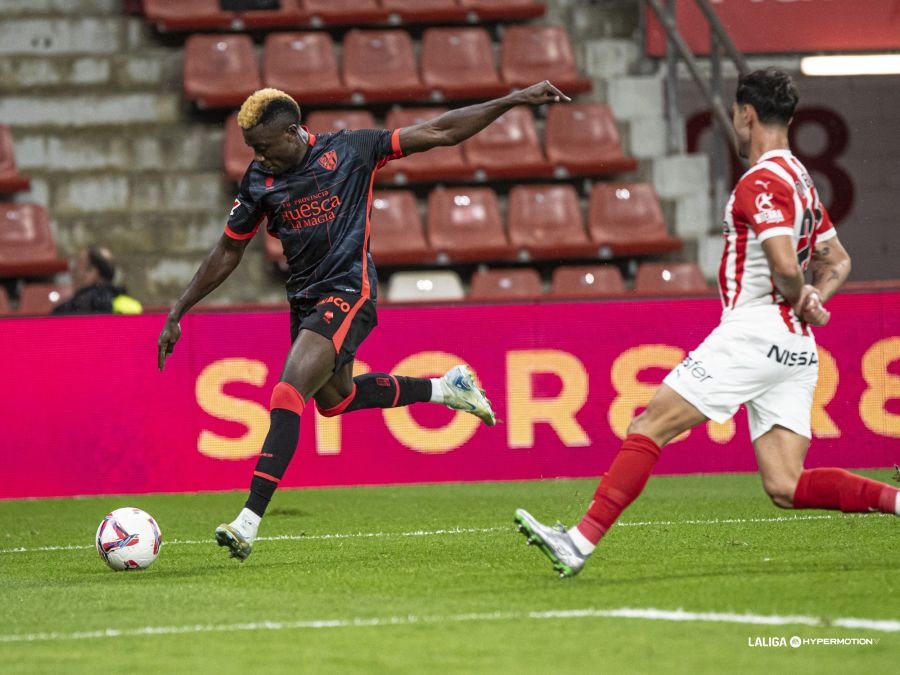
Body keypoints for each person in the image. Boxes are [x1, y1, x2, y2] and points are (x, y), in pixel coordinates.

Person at [158, 81, 571, 561]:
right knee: (335, 400)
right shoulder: (258, 182)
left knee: (288, 393)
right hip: (305, 300)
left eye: (264, 147)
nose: (259, 157)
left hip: (350, 289)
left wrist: (512, 99)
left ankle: (248, 522)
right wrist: (179, 308)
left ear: (293, 132)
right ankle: (446, 389)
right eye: (253, 149)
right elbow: (230, 248)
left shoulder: (352, 151)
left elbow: (439, 131)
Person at [515, 68, 899, 578]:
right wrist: (813, 298)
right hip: (796, 347)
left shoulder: (761, 181)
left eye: (737, 116)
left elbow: (785, 264)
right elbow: (839, 259)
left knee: (649, 424)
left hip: (756, 331)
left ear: (746, 113)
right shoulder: (802, 181)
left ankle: (579, 542)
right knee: (785, 484)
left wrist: (798, 292)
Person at [52, 246, 142, 315]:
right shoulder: (131, 305)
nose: (73, 271)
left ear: (92, 272)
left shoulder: (70, 309)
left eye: (78, 265)